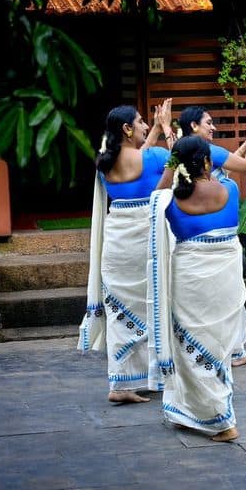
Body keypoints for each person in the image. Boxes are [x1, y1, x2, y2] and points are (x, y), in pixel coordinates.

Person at [148, 136, 246, 441]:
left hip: (189, 276)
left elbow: (156, 197)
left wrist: (171, 166)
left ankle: (220, 420)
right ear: (207, 162)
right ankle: (195, 411)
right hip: (226, 277)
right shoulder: (229, 189)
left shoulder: (169, 200)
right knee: (216, 345)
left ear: (177, 164)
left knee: (189, 344)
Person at [78, 100, 174, 403]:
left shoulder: (105, 162)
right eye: (142, 122)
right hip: (144, 241)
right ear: (127, 128)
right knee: (153, 306)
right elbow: (184, 162)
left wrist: (156, 127)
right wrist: (168, 129)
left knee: (122, 313)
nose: (146, 126)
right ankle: (157, 373)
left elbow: (138, 156)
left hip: (117, 241)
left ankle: (120, 384)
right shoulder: (156, 156)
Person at [168, 106, 246, 367]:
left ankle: (206, 350)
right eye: (208, 123)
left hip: (187, 231)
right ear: (194, 127)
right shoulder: (224, 180)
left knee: (197, 303)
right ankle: (233, 351)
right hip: (217, 226)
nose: (214, 128)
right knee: (227, 298)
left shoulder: (177, 155)